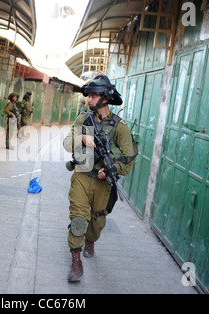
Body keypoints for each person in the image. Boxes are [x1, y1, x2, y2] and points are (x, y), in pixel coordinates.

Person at [63, 75, 137, 282]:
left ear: (104, 98)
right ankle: (75, 261)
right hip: (82, 176)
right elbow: (67, 143)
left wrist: (113, 170)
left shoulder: (119, 126)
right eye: (89, 95)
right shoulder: (83, 119)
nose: (89, 99)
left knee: (97, 223)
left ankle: (91, 241)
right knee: (78, 219)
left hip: (103, 182)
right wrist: (82, 138)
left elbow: (129, 158)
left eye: (94, 95)